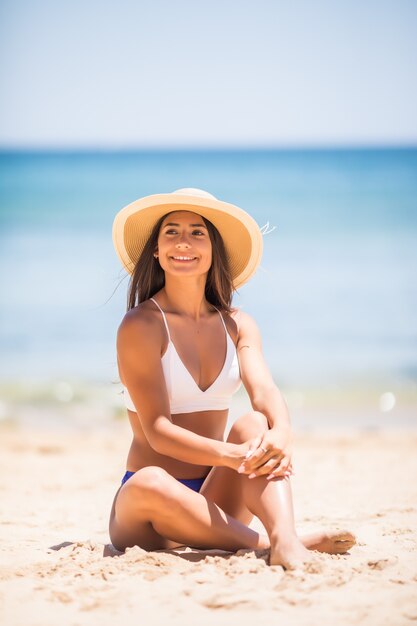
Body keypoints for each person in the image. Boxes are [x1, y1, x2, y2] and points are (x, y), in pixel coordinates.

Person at [109, 188, 355, 569]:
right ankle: (281, 541)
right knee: (150, 480)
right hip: (148, 514)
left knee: (256, 423)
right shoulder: (142, 324)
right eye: (170, 233)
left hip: (217, 500)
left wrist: (281, 432)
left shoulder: (237, 324)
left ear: (213, 251)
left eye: (197, 233)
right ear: (156, 251)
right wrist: (233, 456)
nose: (183, 243)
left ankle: (281, 538)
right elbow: (157, 430)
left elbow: (265, 390)